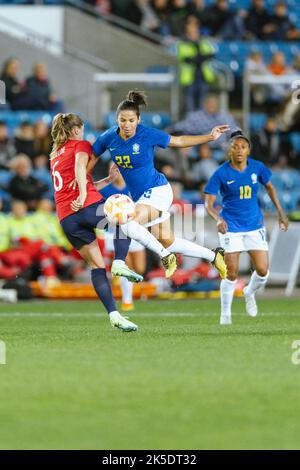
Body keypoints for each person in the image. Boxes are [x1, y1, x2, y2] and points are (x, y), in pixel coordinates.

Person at [91, 90, 228, 279]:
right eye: (123, 120)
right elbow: (91, 157)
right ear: (117, 119)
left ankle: (163, 257)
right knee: (168, 241)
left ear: (138, 120)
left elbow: (178, 140)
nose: (127, 125)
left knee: (127, 221)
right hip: (141, 197)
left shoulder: (147, 134)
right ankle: (214, 255)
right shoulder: (108, 138)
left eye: (131, 120)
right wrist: (81, 180)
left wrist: (209, 137)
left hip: (158, 191)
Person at [50, 113, 145, 332]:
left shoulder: (55, 154)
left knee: (96, 266)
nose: (83, 133)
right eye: (81, 129)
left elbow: (75, 182)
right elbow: (80, 167)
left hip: (67, 217)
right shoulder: (80, 144)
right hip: (85, 206)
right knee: (126, 216)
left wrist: (109, 181)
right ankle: (120, 261)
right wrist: (83, 195)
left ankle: (114, 314)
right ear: (76, 130)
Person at [204, 130, 288, 325]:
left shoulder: (257, 168)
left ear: (249, 150)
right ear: (229, 150)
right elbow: (208, 203)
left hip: (254, 225)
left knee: (263, 271)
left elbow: (270, 187)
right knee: (231, 272)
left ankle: (249, 291)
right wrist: (217, 218)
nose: (239, 150)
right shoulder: (221, 173)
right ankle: (225, 315)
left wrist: (280, 212)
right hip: (230, 226)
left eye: (243, 147)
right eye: (235, 146)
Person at [99, 166, 146, 312]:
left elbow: (142, 209)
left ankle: (123, 288)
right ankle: (127, 301)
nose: (118, 173)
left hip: (134, 230)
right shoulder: (105, 190)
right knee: (127, 266)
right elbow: (100, 213)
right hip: (114, 233)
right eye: (115, 170)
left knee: (140, 269)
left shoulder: (135, 189)